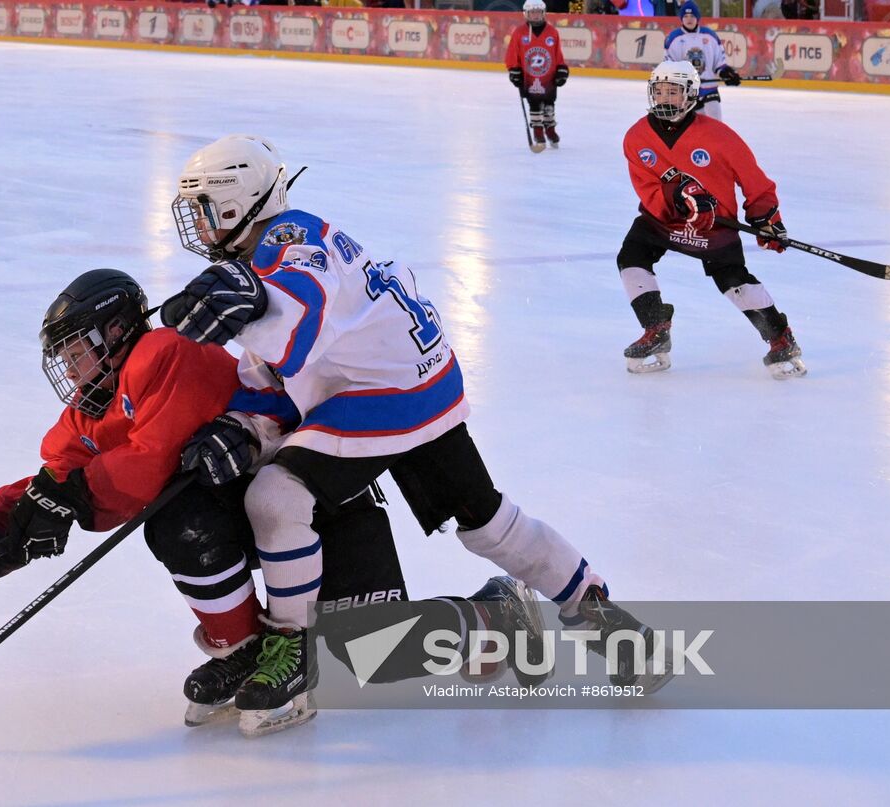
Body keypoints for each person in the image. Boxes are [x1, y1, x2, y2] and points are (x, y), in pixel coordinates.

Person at [162, 134, 673, 732]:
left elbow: (299, 318)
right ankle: (616, 629)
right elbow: (274, 369)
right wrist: (244, 426)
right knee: (489, 522)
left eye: (201, 207)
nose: (194, 222)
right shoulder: (279, 242)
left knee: (275, 497)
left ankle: (288, 648)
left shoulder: (287, 242)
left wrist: (250, 307)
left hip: (385, 396)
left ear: (234, 202)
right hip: (422, 381)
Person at [0, 268, 543, 733]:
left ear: (119, 331)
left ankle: (497, 613)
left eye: (78, 354)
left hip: (320, 508)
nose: (71, 373)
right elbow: (55, 476)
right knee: (178, 523)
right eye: (65, 359)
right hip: (253, 513)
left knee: (372, 652)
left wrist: (66, 499)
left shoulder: (166, 354)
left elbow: (142, 468)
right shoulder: (91, 410)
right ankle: (244, 652)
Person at [618, 61, 804, 379]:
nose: (664, 97)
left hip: (715, 225)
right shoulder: (637, 136)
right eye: (659, 91)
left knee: (734, 283)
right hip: (662, 221)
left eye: (673, 92)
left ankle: (779, 337)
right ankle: (656, 327)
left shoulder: (719, 136)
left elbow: (754, 180)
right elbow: (645, 186)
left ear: (690, 95)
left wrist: (765, 218)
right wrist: (675, 198)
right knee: (631, 258)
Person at [505, 0, 569, 148]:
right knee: (534, 104)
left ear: (543, 13)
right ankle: (538, 131)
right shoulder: (519, 32)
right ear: (526, 14)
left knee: (549, 105)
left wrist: (561, 69)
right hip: (529, 77)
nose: (535, 15)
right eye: (532, 12)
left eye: (538, 12)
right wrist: (514, 70)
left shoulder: (552, 32)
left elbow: (557, 54)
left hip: (548, 77)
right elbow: (512, 54)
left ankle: (550, 129)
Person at [664, 1, 741, 121]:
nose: (689, 19)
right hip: (688, 91)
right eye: (685, 16)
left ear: (698, 18)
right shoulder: (674, 38)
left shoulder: (710, 35)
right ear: (681, 18)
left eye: (692, 16)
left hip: (709, 88)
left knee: (715, 123)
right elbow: (670, 65)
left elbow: (719, 63)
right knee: (694, 127)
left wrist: (726, 73)